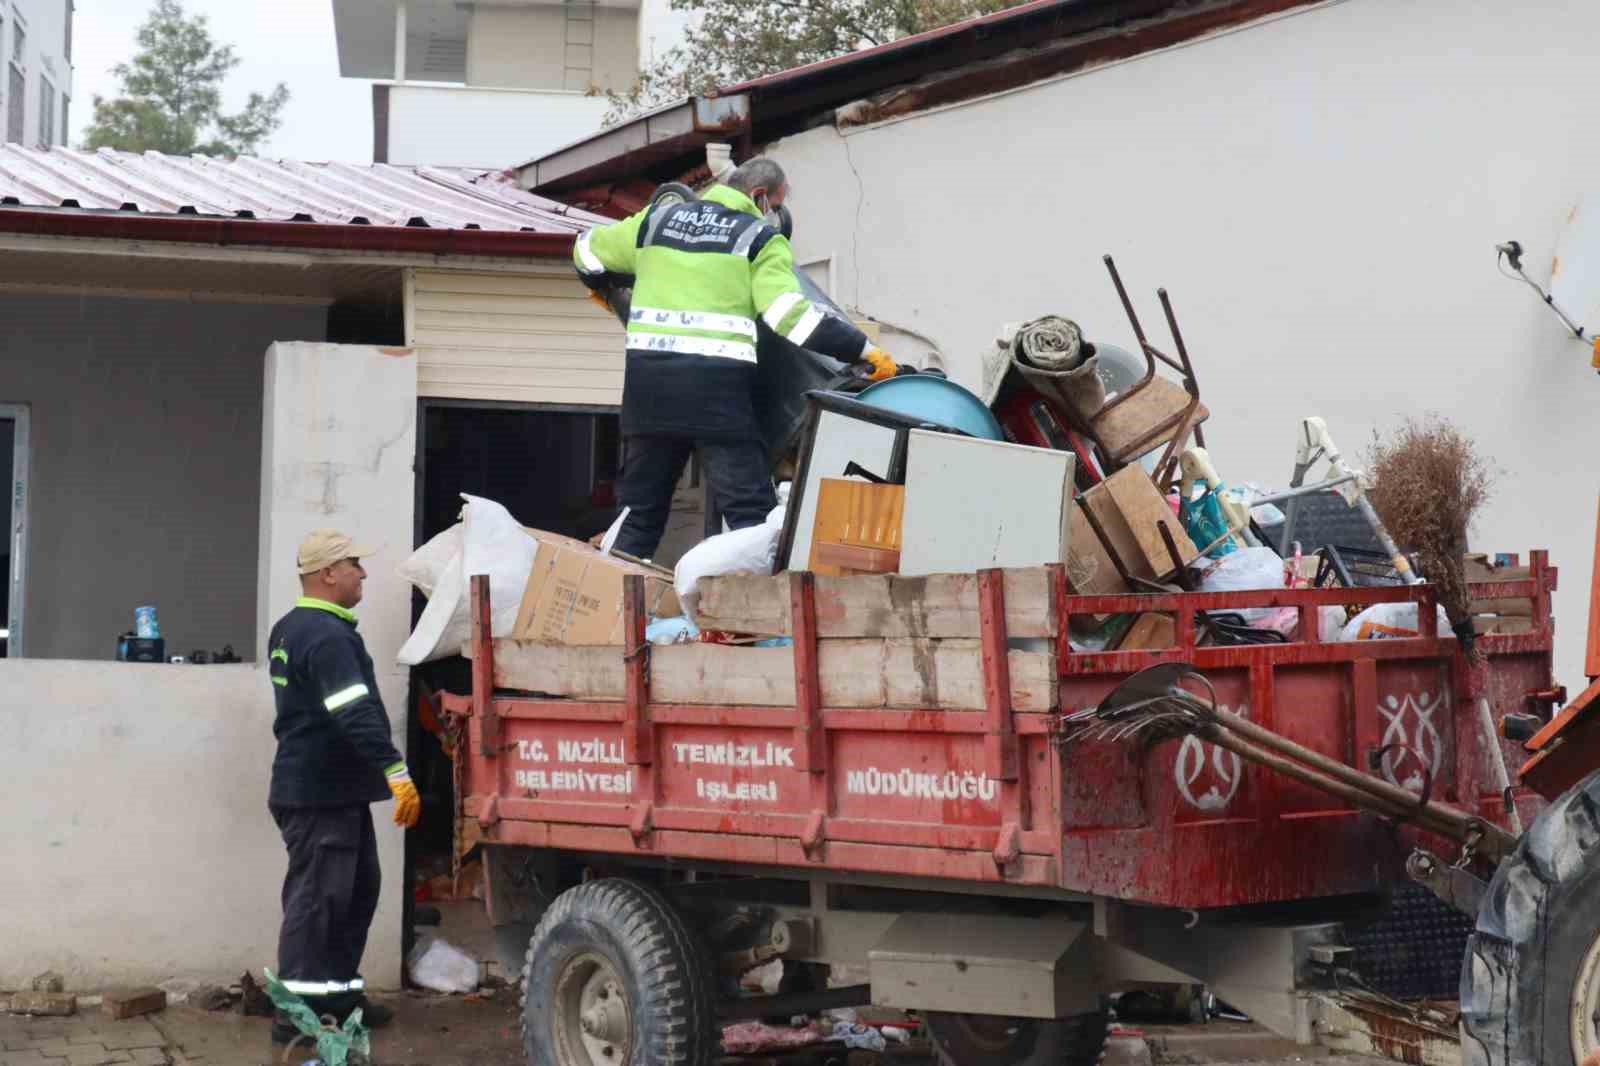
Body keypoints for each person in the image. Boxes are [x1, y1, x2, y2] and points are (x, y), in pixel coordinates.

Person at [573, 156, 898, 559]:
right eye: (777, 205)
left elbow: (586, 251)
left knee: (637, 517)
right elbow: (788, 317)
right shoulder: (758, 239)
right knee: (750, 519)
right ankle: (759, 619)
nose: (777, 215)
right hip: (716, 397)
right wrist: (864, 350)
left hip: (648, 394)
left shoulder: (655, 221)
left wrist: (608, 291)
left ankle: (609, 611)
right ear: (760, 196)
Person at [266, 529, 420, 1043]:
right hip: (319, 795)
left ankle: (338, 998)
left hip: (334, 792)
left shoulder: (295, 627)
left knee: (355, 894)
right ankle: (297, 1014)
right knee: (317, 903)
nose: (364, 572)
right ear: (328, 573)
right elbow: (353, 711)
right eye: (354, 563)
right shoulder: (326, 636)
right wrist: (395, 771)